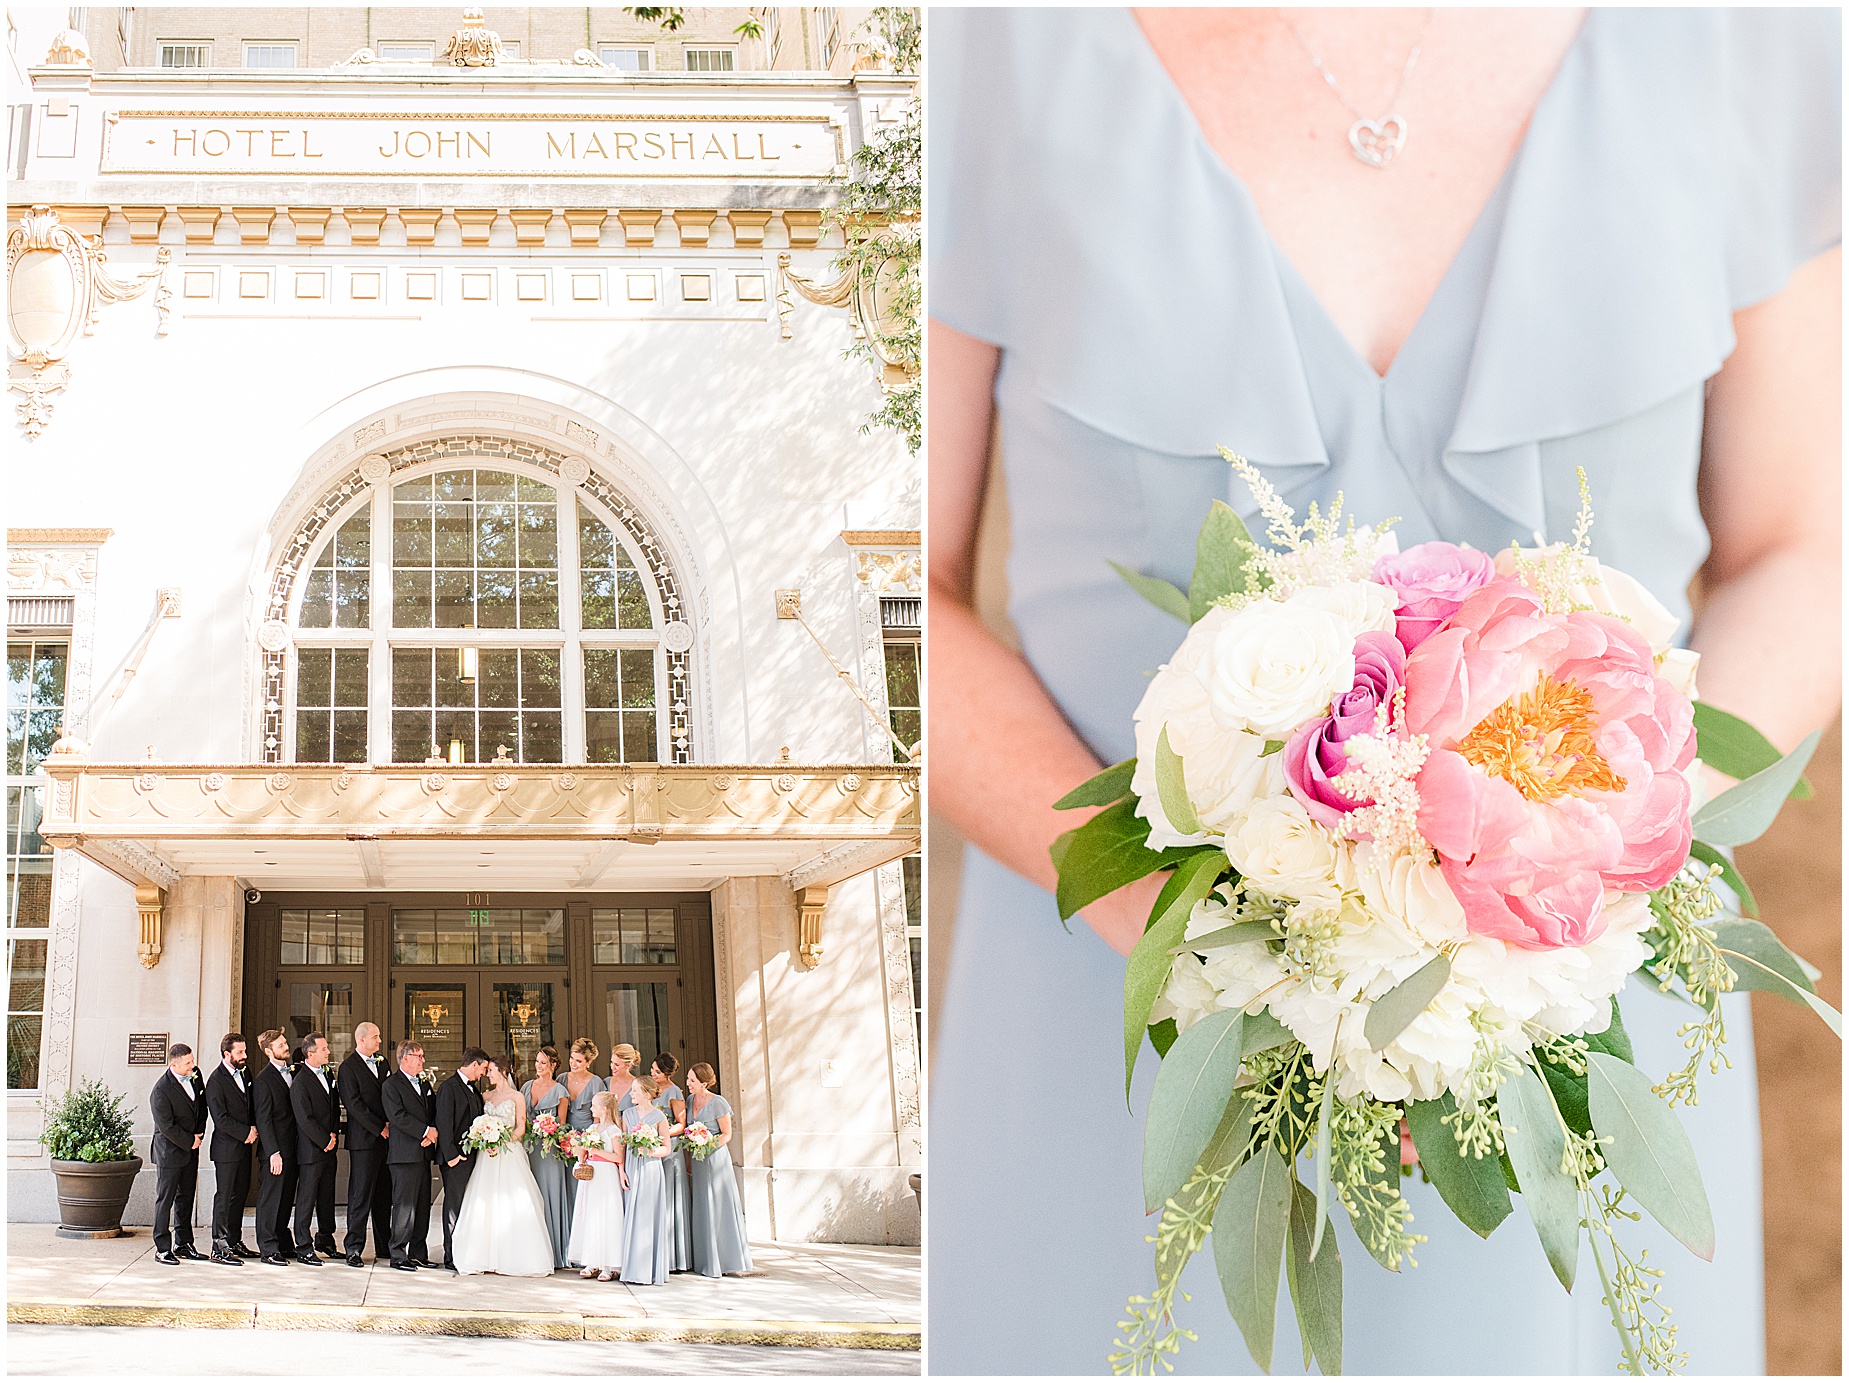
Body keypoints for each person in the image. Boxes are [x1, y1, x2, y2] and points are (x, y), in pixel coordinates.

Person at [927, 9, 1841, 1374]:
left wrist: (1579, 863)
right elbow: (903, 595)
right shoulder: (976, 41)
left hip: (1575, 1015)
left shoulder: (1754, 29)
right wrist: (1223, 948)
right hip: (1107, 1032)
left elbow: (1806, 545)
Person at [451, 1054, 556, 1277]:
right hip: (486, 1156)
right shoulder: (484, 1096)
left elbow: (521, 1128)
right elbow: (477, 1123)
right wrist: (484, 1139)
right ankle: (482, 1255)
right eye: (487, 1070)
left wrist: (501, 1140)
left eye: (491, 1070)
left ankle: (515, 1256)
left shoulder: (517, 1096)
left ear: (502, 1072)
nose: (488, 1074)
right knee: (484, 1201)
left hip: (509, 1153)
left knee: (512, 1202)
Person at [684, 1062, 753, 1278]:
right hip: (697, 1159)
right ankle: (703, 1259)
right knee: (702, 1204)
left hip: (715, 1158)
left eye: (692, 1081)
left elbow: (726, 1134)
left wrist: (706, 1143)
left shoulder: (719, 1103)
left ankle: (723, 1259)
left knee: (717, 1204)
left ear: (704, 1083)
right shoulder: (689, 1100)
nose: (688, 1084)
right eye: (688, 1079)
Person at [147, 1042, 208, 1265]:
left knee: (186, 1197)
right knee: (166, 1199)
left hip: (192, 1148)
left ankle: (184, 1243)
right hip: (170, 1152)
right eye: (187, 1063)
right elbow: (166, 1126)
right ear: (174, 1064)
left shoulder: (195, 1074)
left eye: (192, 1061)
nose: (193, 1066)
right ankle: (162, 1247)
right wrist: (189, 1140)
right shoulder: (161, 1090)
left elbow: (202, 1104)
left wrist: (199, 1132)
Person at [381, 1039, 439, 1272]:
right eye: (419, 1056)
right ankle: (398, 1253)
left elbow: (434, 1108)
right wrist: (425, 1131)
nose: (423, 1060)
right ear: (405, 1058)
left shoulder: (423, 1082)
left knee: (422, 1205)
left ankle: (418, 1253)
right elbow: (398, 1116)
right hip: (404, 1155)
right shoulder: (391, 1085)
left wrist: (433, 1133)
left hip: (423, 1152)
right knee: (405, 1206)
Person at [338, 1022, 393, 1266]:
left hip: (387, 1140)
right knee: (360, 1195)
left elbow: (391, 1094)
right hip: (363, 1141)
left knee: (383, 1195)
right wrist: (378, 1127)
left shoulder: (383, 1064)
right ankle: (353, 1248)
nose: (379, 1041)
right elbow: (354, 1105)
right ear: (361, 1040)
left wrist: (391, 1124)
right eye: (375, 1037)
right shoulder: (348, 1068)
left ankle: (384, 1246)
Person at [204, 1032, 259, 1264]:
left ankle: (234, 1240)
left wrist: (254, 1127)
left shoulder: (245, 1074)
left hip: (245, 1148)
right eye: (240, 1052)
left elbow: (252, 1104)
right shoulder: (215, 1081)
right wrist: (246, 1132)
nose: (244, 1056)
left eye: (244, 1051)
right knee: (224, 1197)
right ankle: (219, 1245)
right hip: (226, 1149)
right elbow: (221, 1118)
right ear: (227, 1054)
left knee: (240, 1195)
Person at [565, 1089, 629, 1281]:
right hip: (592, 1175)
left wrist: (596, 1150)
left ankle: (609, 1265)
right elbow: (583, 1154)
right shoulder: (592, 1129)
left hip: (607, 1174)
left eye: (593, 1105)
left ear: (603, 1109)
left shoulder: (614, 1131)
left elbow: (618, 1157)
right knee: (591, 1215)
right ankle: (592, 1261)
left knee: (607, 1216)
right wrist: (579, 1147)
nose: (591, 1108)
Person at [435, 1047, 489, 1272]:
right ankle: (451, 1255)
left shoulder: (474, 1090)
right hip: (456, 1158)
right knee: (453, 1207)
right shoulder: (449, 1087)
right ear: (474, 1064)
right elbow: (444, 1123)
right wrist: (452, 1157)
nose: (484, 1074)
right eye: (483, 1068)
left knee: (467, 1206)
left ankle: (465, 1251)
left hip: (472, 1158)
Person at [617, 1073, 673, 1286]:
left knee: (648, 1217)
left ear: (647, 1093)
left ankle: (649, 1270)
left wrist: (649, 1151)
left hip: (650, 1170)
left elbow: (666, 1148)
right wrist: (621, 1171)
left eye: (635, 1090)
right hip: (631, 1167)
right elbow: (622, 1144)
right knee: (631, 1214)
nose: (631, 1093)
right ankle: (631, 1269)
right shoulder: (627, 1114)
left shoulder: (659, 1117)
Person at [522, 1045, 574, 1269]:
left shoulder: (560, 1091)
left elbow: (562, 1124)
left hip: (550, 1150)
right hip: (528, 1148)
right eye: (537, 1062)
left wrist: (550, 1131)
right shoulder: (526, 1087)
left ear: (553, 1066)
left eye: (543, 1063)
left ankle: (553, 1252)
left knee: (549, 1194)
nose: (538, 1066)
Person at [288, 1032, 338, 1266]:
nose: (328, 1052)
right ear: (311, 1054)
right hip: (311, 1150)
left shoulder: (327, 1074)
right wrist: (323, 1139)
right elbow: (304, 1118)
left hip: (329, 1147)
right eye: (324, 1049)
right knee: (306, 1200)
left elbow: (334, 1107)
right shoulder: (300, 1081)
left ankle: (325, 1240)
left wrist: (334, 1134)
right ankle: (303, 1246)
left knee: (327, 1197)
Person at [250, 1029, 299, 1266]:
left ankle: (282, 1242)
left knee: (286, 1198)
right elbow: (264, 1119)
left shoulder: (294, 1071)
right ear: (269, 1051)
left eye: (285, 1042)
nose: (285, 1047)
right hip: (275, 1152)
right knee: (271, 1199)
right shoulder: (263, 1080)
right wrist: (273, 1153)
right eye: (280, 1045)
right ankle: (268, 1248)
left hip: (293, 1149)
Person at [651, 1052, 693, 1273]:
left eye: (657, 1071)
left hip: (670, 1149)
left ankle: (675, 1256)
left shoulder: (674, 1092)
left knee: (670, 1199)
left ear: (667, 1073)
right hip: (653, 1147)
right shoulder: (651, 1088)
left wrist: (663, 1136)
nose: (653, 1074)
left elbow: (681, 1123)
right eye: (652, 1070)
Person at [562, 1037, 607, 1138]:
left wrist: (592, 1137)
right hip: (564, 1135)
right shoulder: (562, 1079)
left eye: (578, 1061)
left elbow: (599, 1116)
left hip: (588, 1135)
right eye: (571, 1058)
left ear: (588, 1062)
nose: (573, 1064)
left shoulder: (596, 1082)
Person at [608, 1042, 640, 1121]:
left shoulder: (637, 1086)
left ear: (628, 1066)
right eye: (612, 1062)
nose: (612, 1067)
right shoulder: (605, 1083)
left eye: (617, 1065)